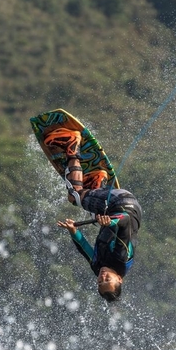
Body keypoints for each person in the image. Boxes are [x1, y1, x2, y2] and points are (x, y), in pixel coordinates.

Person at [47, 128, 142, 302]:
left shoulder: (98, 266)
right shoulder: (121, 258)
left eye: (99, 283)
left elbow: (84, 248)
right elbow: (126, 221)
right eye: (107, 280)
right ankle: (71, 145)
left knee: (92, 209)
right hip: (122, 203)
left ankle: (97, 181)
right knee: (74, 196)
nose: (102, 278)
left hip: (111, 206)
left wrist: (73, 231)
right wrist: (110, 223)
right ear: (119, 279)